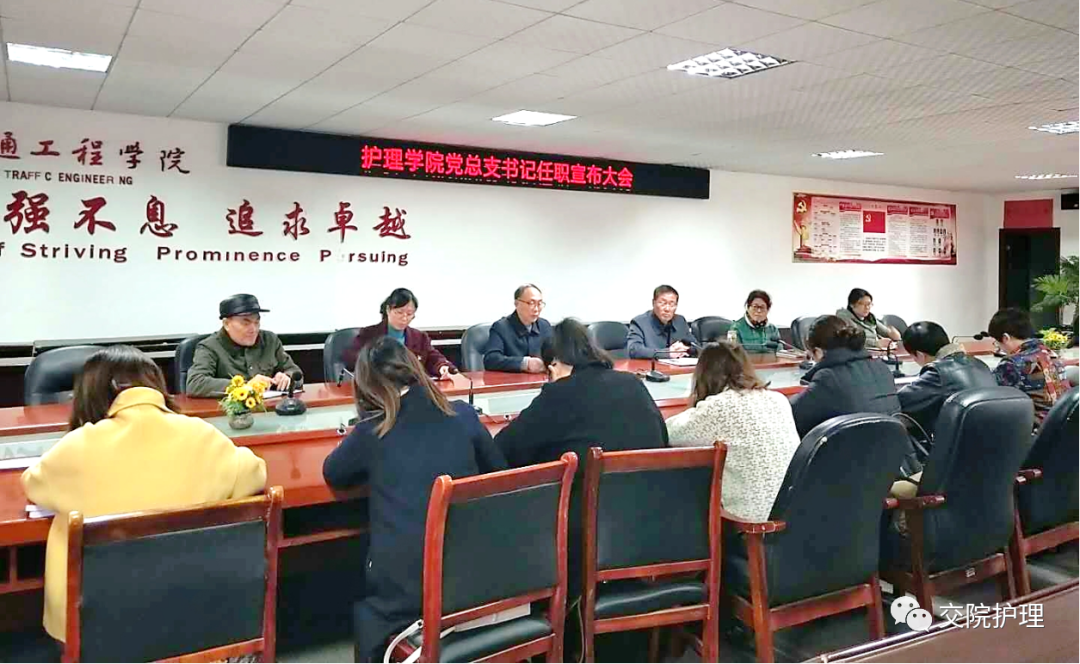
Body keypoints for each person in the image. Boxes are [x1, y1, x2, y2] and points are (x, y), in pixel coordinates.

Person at [21, 346, 267, 644]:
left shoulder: (79, 445)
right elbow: (254, 472)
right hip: (200, 617)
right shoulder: (201, 433)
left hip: (100, 630)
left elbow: (34, 483)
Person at [322, 338, 506, 663]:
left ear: (367, 385)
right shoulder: (462, 413)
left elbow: (334, 473)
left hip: (411, 590)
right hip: (476, 572)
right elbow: (501, 474)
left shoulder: (374, 429)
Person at [666, 343, 801, 521]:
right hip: (796, 514)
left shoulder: (719, 406)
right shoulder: (779, 399)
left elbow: (670, 433)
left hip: (750, 522)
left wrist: (693, 404)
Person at [790, 315, 900, 438]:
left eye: (811, 355)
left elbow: (791, 414)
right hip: (897, 447)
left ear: (818, 352)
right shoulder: (882, 368)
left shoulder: (828, 378)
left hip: (856, 448)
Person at [186, 294, 302, 397]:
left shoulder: (270, 340)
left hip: (270, 409)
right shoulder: (209, 347)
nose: (253, 329)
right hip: (227, 412)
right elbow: (195, 384)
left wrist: (287, 378)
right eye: (245, 323)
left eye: (256, 322)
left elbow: (295, 373)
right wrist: (245, 386)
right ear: (226, 324)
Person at [897, 321, 997, 439]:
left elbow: (899, 402)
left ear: (920, 354)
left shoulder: (938, 373)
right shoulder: (980, 365)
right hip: (992, 440)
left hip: (962, 445)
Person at [343, 288, 455, 380]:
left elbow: (433, 358)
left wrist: (442, 367)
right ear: (388, 310)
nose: (404, 318)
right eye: (399, 312)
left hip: (411, 388)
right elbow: (351, 360)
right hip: (379, 388)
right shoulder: (369, 334)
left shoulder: (420, 337)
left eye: (409, 314)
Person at [987, 307, 1070, 425]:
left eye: (997, 343)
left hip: (1036, 429)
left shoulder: (1011, 364)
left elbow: (992, 398)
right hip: (1066, 425)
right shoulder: (1050, 353)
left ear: (1006, 338)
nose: (999, 348)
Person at [484, 284, 553, 373]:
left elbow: (554, 354)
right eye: (531, 303)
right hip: (512, 379)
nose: (536, 309)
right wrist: (525, 363)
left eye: (539, 304)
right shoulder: (501, 327)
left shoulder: (544, 326)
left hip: (541, 379)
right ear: (517, 303)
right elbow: (491, 360)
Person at [627, 285, 698, 359]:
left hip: (677, 365)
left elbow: (697, 347)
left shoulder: (680, 321)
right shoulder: (639, 322)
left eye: (672, 304)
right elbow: (634, 350)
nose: (667, 309)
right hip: (650, 365)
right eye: (663, 303)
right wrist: (667, 353)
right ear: (653, 303)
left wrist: (686, 348)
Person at [835, 288, 901, 350]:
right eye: (863, 304)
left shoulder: (870, 317)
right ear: (852, 304)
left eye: (869, 304)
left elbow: (888, 333)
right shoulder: (843, 318)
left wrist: (892, 334)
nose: (867, 307)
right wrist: (876, 343)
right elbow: (851, 340)